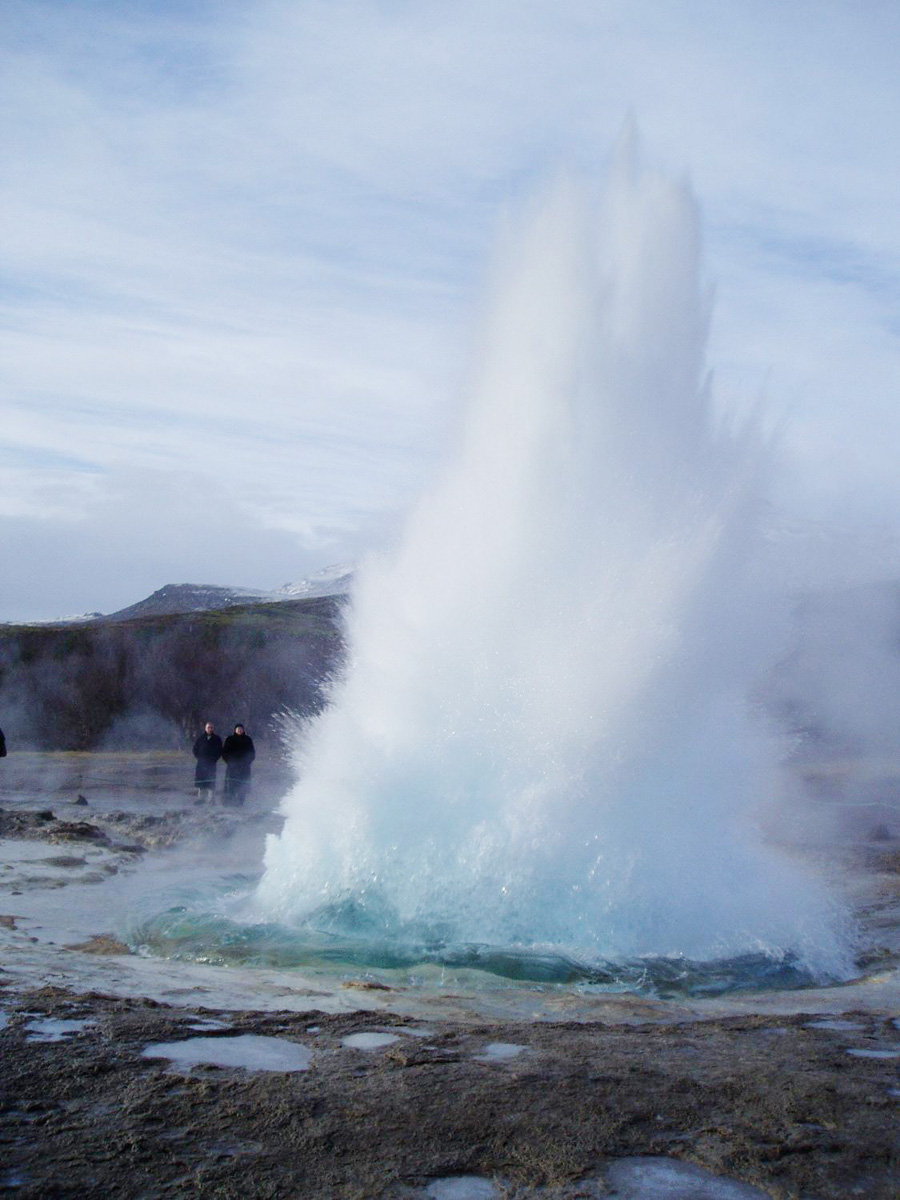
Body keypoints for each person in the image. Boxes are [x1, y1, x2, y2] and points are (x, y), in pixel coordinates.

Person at [221, 723, 255, 806]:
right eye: (238, 729)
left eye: (241, 729)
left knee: (242, 785)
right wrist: (229, 762)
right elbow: (224, 752)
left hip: (244, 767)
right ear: (235, 730)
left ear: (243, 730)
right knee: (231, 785)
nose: (239, 730)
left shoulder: (248, 739)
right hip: (232, 767)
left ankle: (240, 802)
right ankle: (230, 801)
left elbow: (252, 753)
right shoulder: (230, 739)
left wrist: (247, 762)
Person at [192, 721, 222, 804]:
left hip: (211, 764)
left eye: (211, 727)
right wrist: (199, 758)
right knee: (201, 783)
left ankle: (211, 800)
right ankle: (201, 799)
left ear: (213, 728)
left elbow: (220, 751)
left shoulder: (217, 739)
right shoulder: (200, 738)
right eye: (208, 727)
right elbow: (195, 749)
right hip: (201, 763)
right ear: (205, 728)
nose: (210, 729)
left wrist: (214, 759)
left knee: (211, 782)